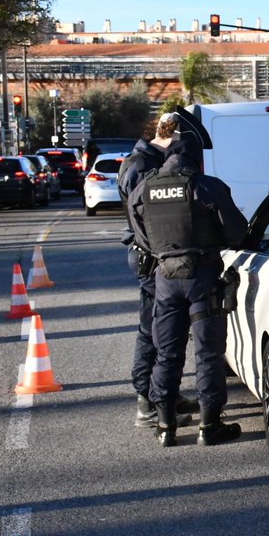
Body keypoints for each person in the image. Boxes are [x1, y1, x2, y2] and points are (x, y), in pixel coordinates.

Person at [130, 128, 248, 447]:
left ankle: (166, 426)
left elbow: (138, 232)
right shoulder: (206, 186)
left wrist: (162, 251)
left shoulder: (144, 188)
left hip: (165, 279)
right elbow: (237, 231)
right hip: (203, 277)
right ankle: (209, 426)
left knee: (167, 352)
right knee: (208, 352)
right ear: (197, 160)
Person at [118, 111, 197, 428]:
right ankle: (147, 402)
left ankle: (167, 395)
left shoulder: (147, 161)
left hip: (160, 256)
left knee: (170, 331)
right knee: (152, 331)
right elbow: (146, 221)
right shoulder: (141, 166)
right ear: (172, 138)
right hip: (152, 257)